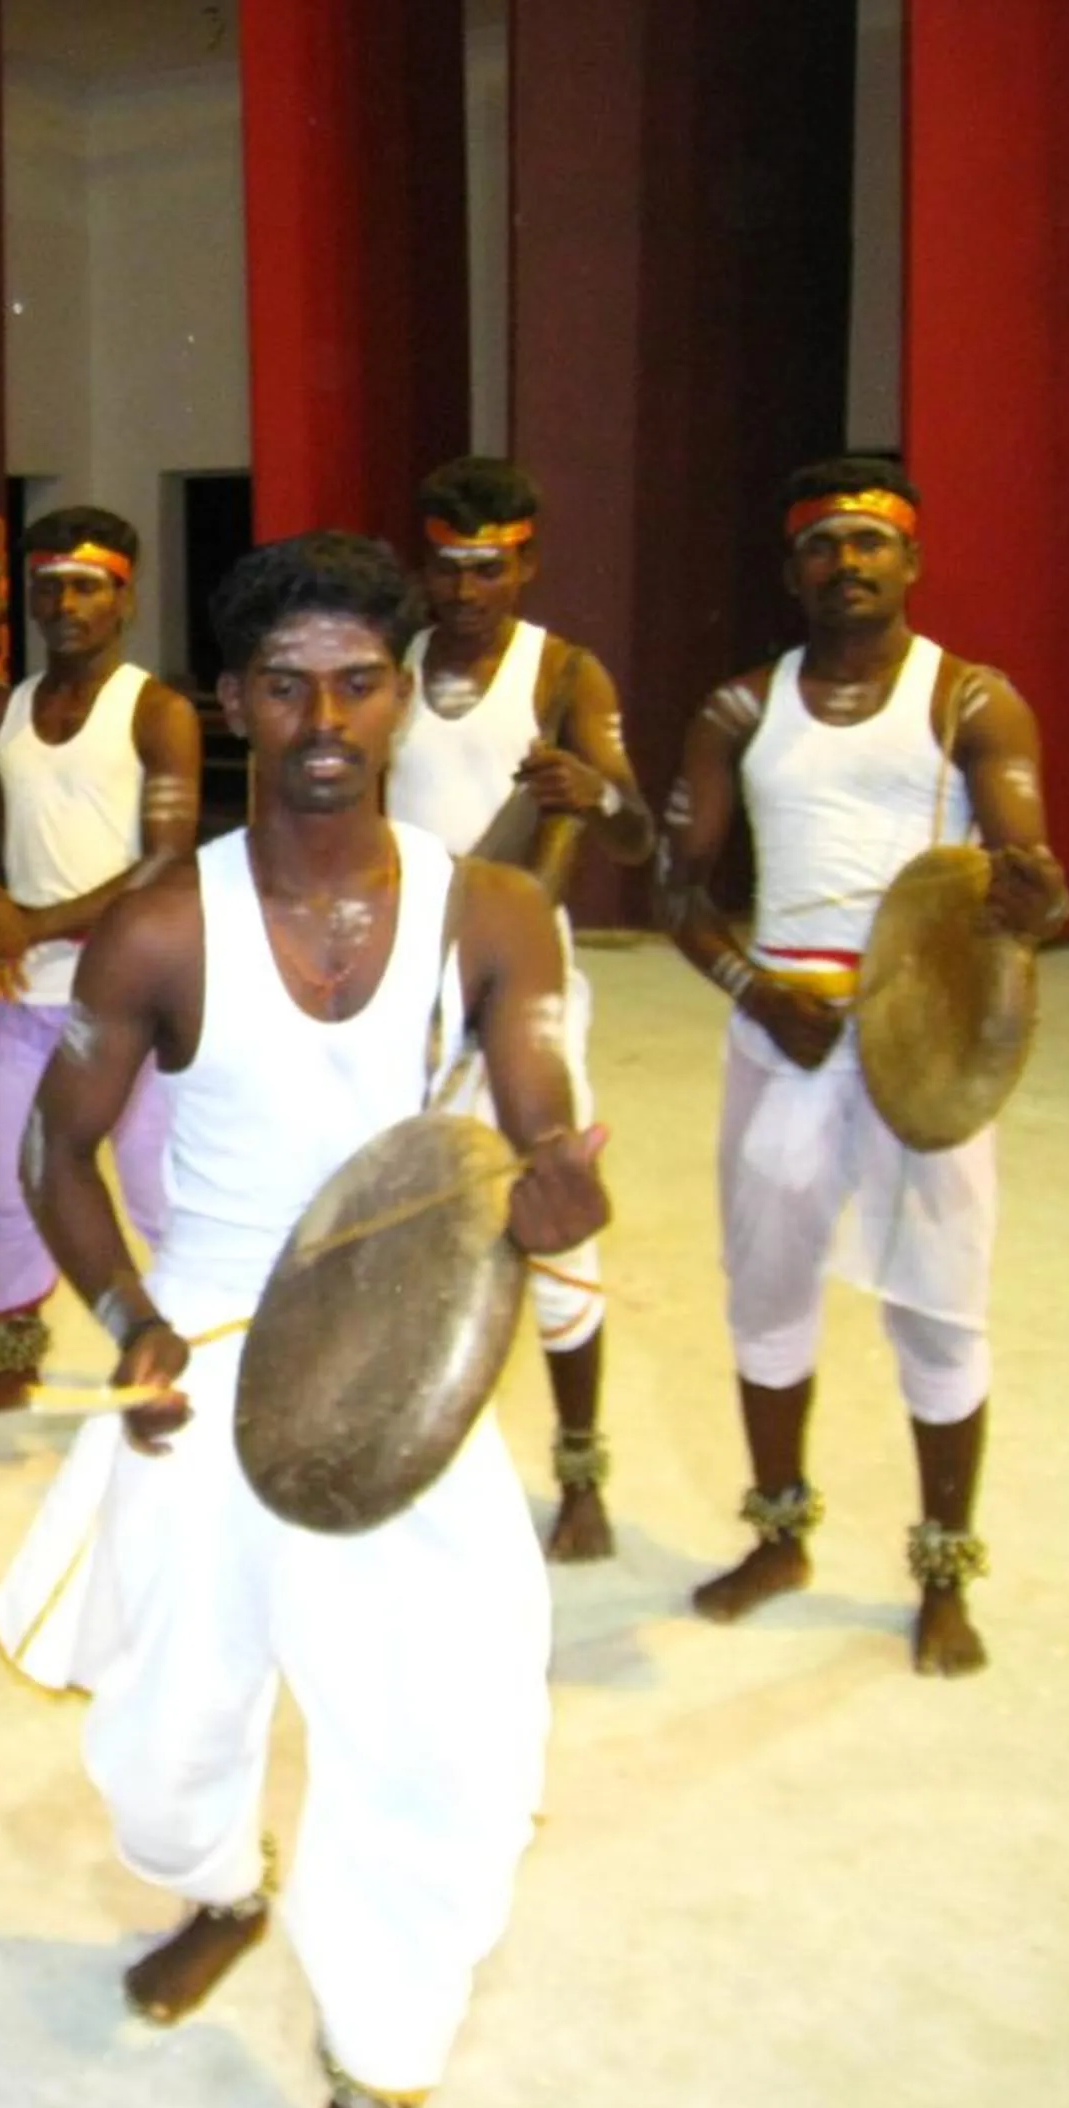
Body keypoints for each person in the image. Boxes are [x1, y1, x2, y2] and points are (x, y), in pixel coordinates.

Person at [0, 532, 609, 2108]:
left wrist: (553, 1186)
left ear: (402, 696)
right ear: (233, 703)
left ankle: (371, 2091)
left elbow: (535, 1109)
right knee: (168, 1733)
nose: (325, 722)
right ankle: (217, 1886)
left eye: (357, 683)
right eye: (286, 687)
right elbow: (57, 1154)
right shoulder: (157, 928)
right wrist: (128, 1316)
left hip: (402, 1356)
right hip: (209, 1349)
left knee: (443, 1732)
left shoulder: (493, 913)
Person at [660, 457, 1068, 1677]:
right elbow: (680, 893)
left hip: (921, 1038)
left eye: (870, 542)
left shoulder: (973, 701)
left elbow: (1027, 882)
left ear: (913, 561)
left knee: (940, 1307)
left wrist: (1037, 903)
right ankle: (779, 1538)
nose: (847, 563)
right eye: (822, 545)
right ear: (791, 571)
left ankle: (943, 1573)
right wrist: (754, 989)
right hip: (782, 1029)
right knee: (766, 1294)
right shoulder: (739, 710)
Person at [392, 456, 654, 1560]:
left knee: (552, 1213)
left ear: (526, 562)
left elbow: (636, 836)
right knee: (408, 1221)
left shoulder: (565, 675)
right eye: (446, 566)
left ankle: (581, 1474)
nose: (464, 590)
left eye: (487, 567)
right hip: (404, 983)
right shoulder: (389, 667)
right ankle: (413, 1453)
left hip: (529, 991)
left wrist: (599, 794)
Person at [0, 506, 199, 1424]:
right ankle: (15, 1362)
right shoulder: (0, 715)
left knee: (158, 1187)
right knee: (12, 1176)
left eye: (86, 586)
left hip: (134, 998)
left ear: (125, 596)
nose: (64, 605)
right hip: (28, 997)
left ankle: (193, 1353)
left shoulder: (157, 713)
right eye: (48, 587)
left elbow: (168, 859)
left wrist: (35, 923)